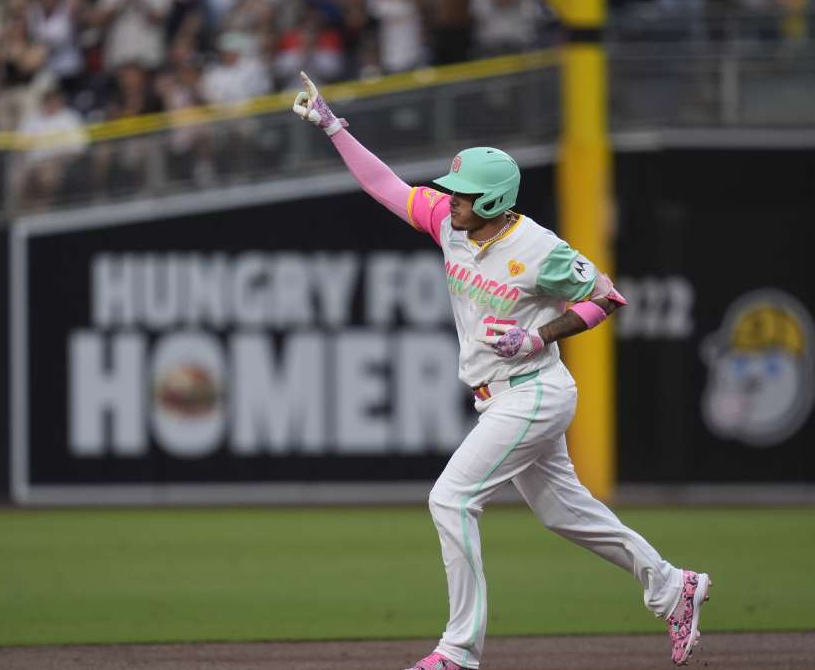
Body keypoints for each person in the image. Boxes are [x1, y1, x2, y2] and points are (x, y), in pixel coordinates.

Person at [290, 71, 713, 670]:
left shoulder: (541, 250)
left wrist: (536, 334)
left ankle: (459, 652)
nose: (450, 197)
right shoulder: (448, 223)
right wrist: (335, 127)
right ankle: (673, 586)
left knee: (450, 499)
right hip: (500, 396)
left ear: (490, 201)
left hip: (534, 391)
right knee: (565, 513)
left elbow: (607, 297)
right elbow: (386, 187)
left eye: (462, 193)